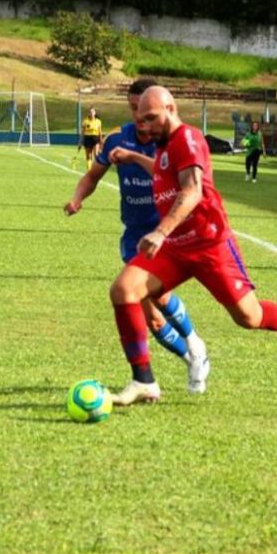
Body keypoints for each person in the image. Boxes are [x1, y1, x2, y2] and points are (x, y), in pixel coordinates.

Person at [106, 86, 277, 406]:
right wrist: (132, 157)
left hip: (210, 244)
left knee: (248, 317)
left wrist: (160, 232)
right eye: (141, 120)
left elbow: (192, 190)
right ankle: (144, 381)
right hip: (176, 249)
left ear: (171, 108)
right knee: (124, 290)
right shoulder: (165, 148)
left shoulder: (189, 138)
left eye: (152, 118)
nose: (146, 126)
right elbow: (163, 171)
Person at [65, 78, 210, 403]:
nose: (139, 118)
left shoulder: (169, 141)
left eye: (144, 111)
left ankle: (193, 341)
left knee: (159, 297)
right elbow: (92, 176)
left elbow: (186, 183)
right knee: (153, 319)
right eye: (134, 110)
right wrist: (78, 198)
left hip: (164, 234)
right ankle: (191, 358)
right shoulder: (117, 138)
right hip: (134, 235)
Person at [80, 106, 102, 170]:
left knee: (96, 154)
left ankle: (97, 168)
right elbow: (83, 132)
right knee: (88, 155)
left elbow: (100, 131)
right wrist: (81, 140)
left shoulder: (98, 121)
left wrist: (101, 140)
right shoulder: (85, 121)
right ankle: (89, 169)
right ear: (89, 113)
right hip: (87, 138)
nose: (91, 113)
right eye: (90, 112)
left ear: (95, 113)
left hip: (95, 138)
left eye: (92, 112)